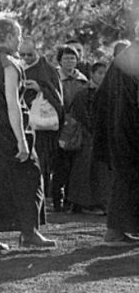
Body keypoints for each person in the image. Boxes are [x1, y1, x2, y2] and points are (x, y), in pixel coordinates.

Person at [0, 19, 55, 253]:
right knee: (31, 176)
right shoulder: (9, 64)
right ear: (7, 37)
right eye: (18, 36)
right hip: (8, 133)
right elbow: (12, 104)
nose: (20, 40)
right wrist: (22, 141)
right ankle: (29, 233)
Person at [92, 30, 139, 246]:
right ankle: (115, 232)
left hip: (118, 128)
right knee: (127, 179)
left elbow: (101, 97)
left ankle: (122, 229)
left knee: (126, 179)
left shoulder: (126, 56)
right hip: (128, 130)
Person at [20, 36, 63, 211]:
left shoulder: (48, 70)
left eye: (29, 54)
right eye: (22, 54)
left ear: (37, 51)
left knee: (43, 163)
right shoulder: (17, 67)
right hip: (23, 123)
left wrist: (40, 89)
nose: (26, 58)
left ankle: (45, 198)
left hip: (43, 128)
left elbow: (58, 98)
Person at [66, 62, 110, 213]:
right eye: (100, 73)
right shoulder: (83, 93)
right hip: (87, 136)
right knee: (84, 170)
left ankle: (98, 203)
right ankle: (82, 204)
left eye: (105, 73)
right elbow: (82, 115)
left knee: (100, 171)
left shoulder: (108, 92)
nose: (102, 76)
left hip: (101, 136)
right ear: (92, 74)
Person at [54, 45, 89, 211]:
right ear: (60, 60)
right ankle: (57, 200)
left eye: (72, 58)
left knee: (75, 165)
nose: (69, 61)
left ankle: (70, 199)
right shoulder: (54, 77)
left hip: (77, 127)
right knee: (60, 164)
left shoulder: (83, 80)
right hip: (59, 125)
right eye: (66, 58)